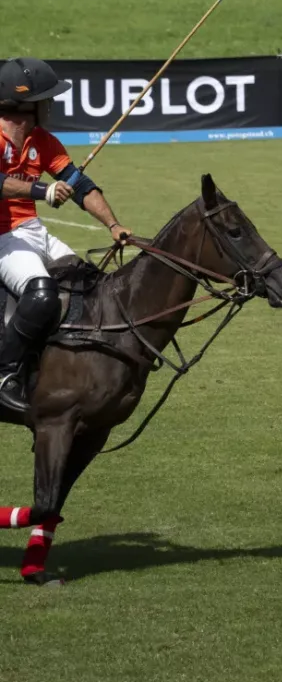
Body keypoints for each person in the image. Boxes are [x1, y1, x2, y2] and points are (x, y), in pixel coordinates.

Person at [0, 57, 134, 415]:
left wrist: (113, 225)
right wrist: (43, 191)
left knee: (89, 282)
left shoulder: (42, 140)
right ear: (24, 104)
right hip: (1, 236)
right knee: (42, 294)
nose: (51, 105)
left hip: (30, 231)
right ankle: (4, 373)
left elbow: (80, 185)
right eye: (47, 99)